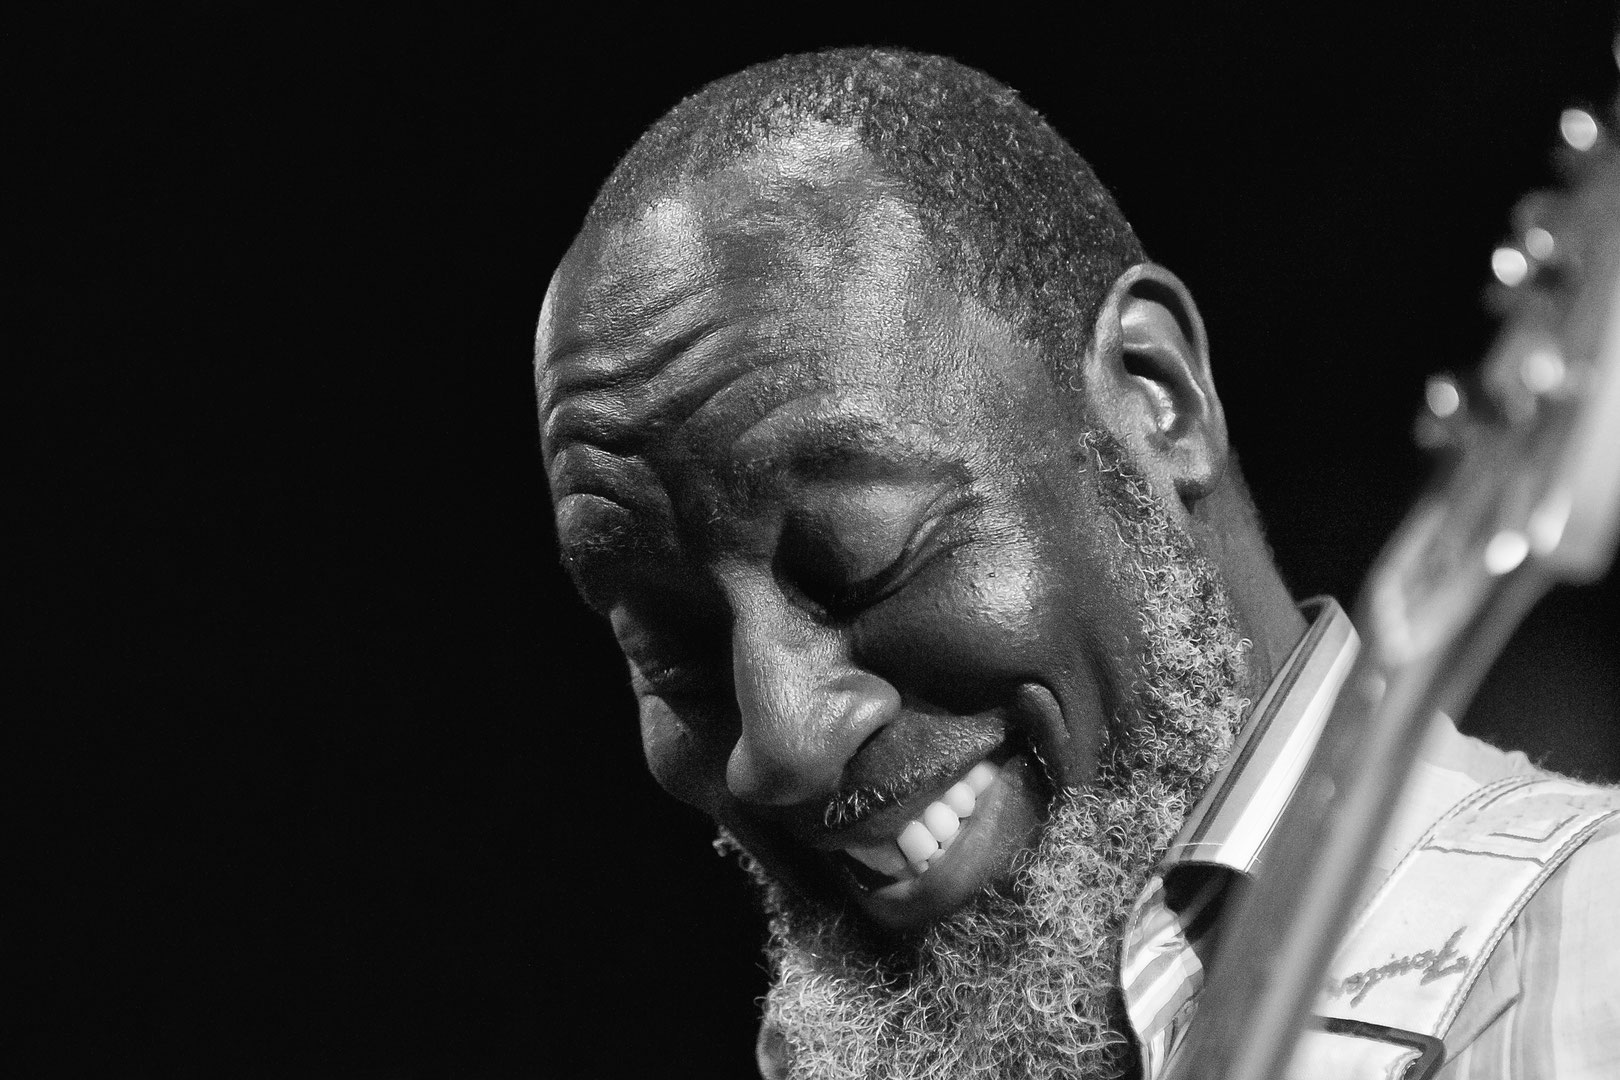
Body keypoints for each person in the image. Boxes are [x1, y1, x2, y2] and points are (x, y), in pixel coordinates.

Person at [533, 48, 1619, 1080]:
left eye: (859, 561)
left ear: (1155, 397)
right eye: (670, 655)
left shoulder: (1575, 955)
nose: (779, 747)